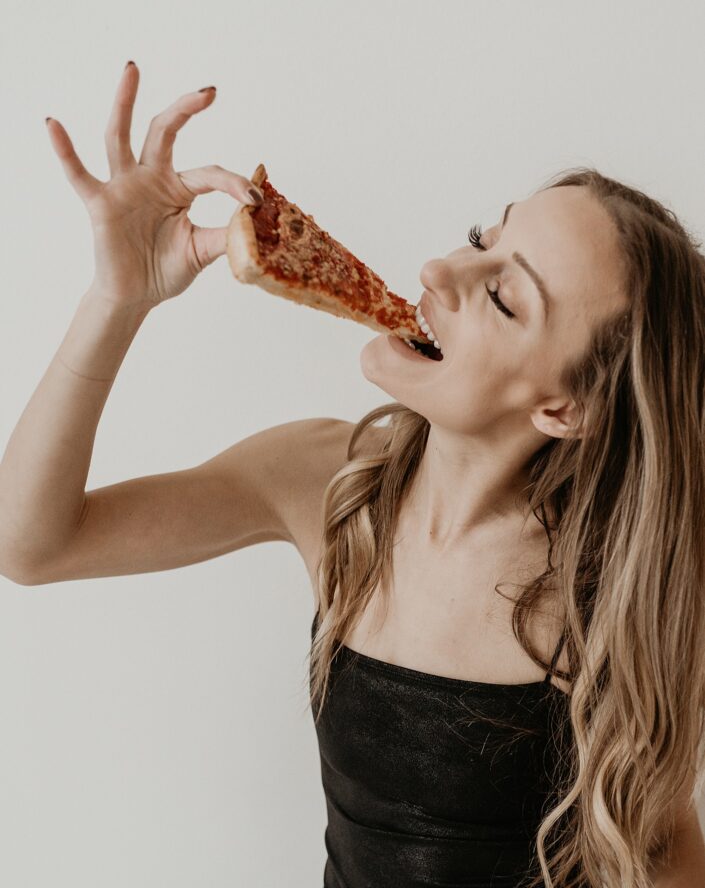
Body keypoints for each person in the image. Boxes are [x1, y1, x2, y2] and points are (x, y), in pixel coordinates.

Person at [2, 62, 705, 887]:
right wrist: (116, 300)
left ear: (564, 408)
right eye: (485, 236)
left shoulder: (615, 588)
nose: (442, 271)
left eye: (505, 298)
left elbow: (661, 849)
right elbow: (32, 544)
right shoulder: (328, 484)